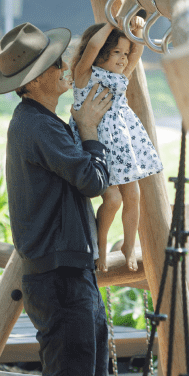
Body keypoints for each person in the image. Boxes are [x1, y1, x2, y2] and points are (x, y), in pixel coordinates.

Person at [0, 22, 114, 376]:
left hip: (69, 272)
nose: (65, 68)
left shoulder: (39, 123)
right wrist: (90, 129)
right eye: (57, 63)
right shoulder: (39, 127)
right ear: (36, 78)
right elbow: (92, 180)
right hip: (61, 278)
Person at [69, 20, 163, 273]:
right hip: (97, 146)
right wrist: (111, 23)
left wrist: (138, 30)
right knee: (112, 199)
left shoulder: (119, 78)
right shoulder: (84, 75)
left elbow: (137, 52)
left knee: (133, 195)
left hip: (121, 145)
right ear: (101, 54)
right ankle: (100, 246)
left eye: (124, 53)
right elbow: (92, 45)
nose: (123, 58)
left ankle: (129, 245)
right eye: (116, 52)